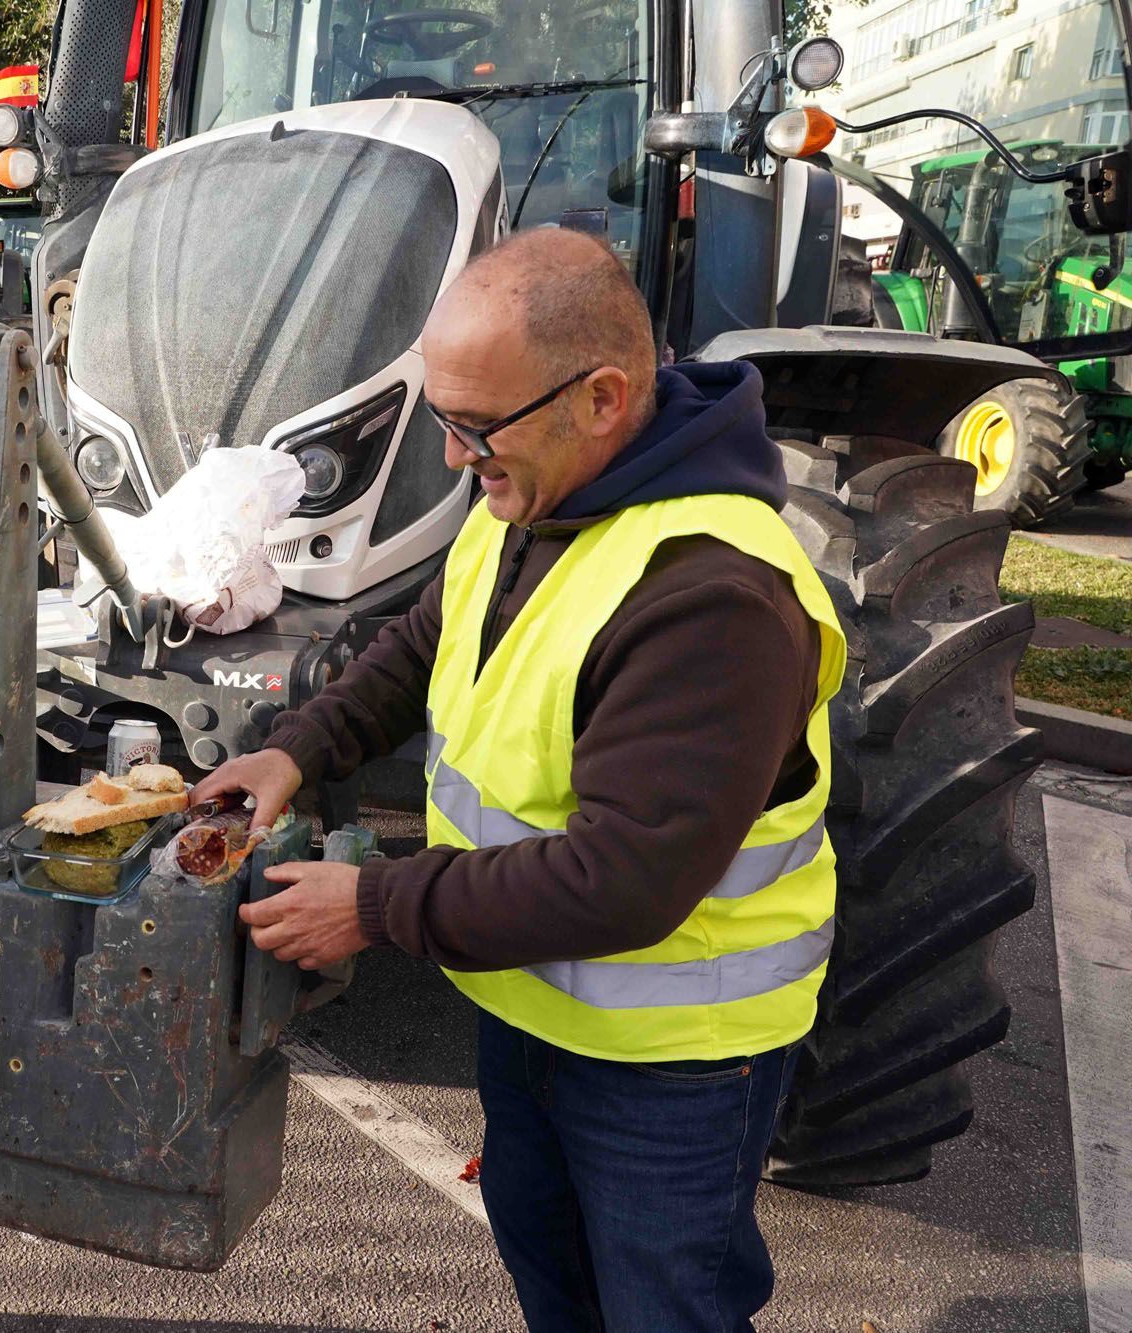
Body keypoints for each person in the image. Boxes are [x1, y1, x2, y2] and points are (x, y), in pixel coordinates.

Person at [193, 227, 845, 1332]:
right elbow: (420, 645)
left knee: (661, 1311)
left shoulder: (710, 592)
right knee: (555, 1286)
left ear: (599, 398)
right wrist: (296, 749)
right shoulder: (533, 500)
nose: (453, 457)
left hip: (670, 1067)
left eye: (473, 427)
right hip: (529, 1011)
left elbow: (624, 879)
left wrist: (373, 904)